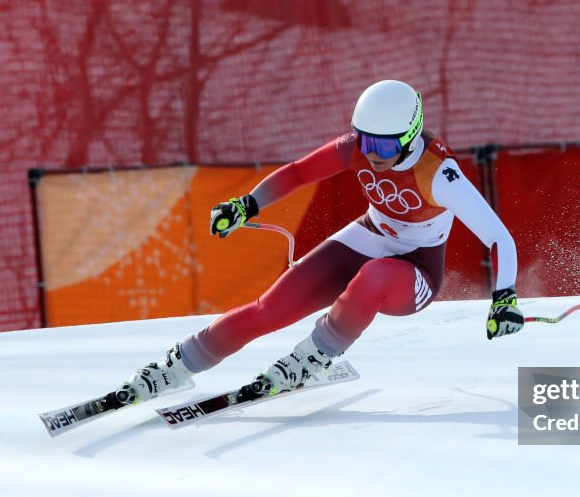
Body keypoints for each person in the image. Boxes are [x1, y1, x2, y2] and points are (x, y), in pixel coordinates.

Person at [115, 79, 524, 406]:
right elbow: (296, 174)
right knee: (268, 308)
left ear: (410, 135)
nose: (372, 154)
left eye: (382, 145)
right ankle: (179, 364)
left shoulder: (439, 173)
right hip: (368, 237)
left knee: (374, 276)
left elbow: (498, 237)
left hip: (416, 270)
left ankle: (315, 355)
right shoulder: (357, 148)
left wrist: (504, 297)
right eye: (365, 140)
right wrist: (246, 205)